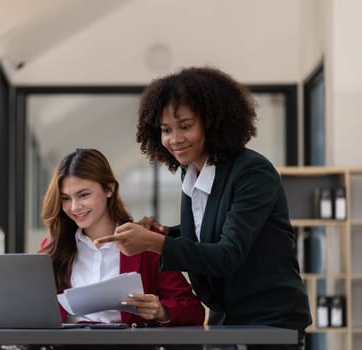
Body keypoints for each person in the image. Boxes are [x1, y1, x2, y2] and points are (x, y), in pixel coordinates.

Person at [95, 67, 312, 350]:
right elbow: (206, 230)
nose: (175, 139)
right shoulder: (193, 174)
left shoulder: (252, 173)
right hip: (228, 319)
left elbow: (227, 254)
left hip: (270, 321)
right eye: (166, 130)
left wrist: (154, 242)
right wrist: (162, 232)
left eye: (185, 126)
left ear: (212, 123)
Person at [38, 148, 205, 349]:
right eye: (65, 198)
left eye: (83, 195)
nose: (74, 207)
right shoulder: (53, 248)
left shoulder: (146, 241)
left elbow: (193, 310)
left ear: (109, 189)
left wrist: (160, 310)